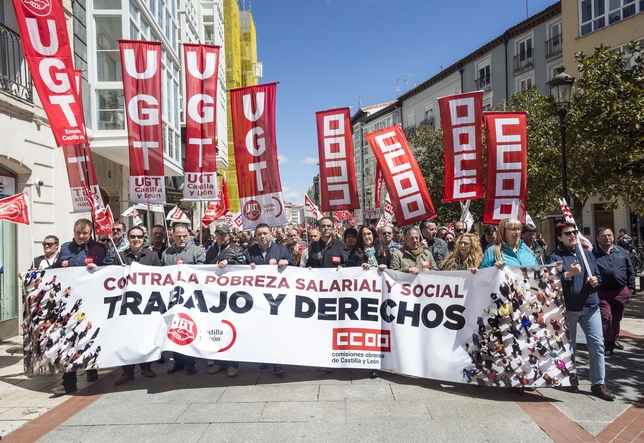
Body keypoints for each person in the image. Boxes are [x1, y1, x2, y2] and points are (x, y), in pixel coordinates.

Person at [548, 222, 615, 401]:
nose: (572, 236)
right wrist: (568, 274)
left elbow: (598, 276)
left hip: (590, 306)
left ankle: (598, 383)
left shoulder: (586, 254)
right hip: (569, 308)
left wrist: (596, 281)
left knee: (597, 345)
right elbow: (550, 283)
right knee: (571, 347)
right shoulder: (555, 257)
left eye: (574, 232)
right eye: (568, 233)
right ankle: (570, 378)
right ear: (559, 237)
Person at [50, 219, 112, 396]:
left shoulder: (100, 249)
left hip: (91, 301)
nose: (82, 236)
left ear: (90, 232)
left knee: (89, 336)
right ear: (74, 231)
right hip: (69, 303)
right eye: (78, 233)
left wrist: (98, 268)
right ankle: (68, 382)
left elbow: (109, 269)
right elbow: (55, 269)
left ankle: (91, 367)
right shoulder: (65, 248)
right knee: (68, 340)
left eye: (85, 233)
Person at [243, 223, 295, 376]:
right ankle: (265, 356)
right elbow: (240, 271)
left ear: (271, 234)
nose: (262, 236)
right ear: (255, 236)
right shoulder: (250, 252)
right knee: (261, 329)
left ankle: (277, 363)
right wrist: (247, 267)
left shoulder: (281, 250)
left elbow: (294, 269)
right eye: (259, 234)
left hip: (277, 298)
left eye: (265, 233)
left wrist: (287, 263)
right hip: (258, 298)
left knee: (275, 329)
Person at [112, 226, 162, 385]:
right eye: (133, 236)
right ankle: (127, 371)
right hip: (126, 304)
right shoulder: (119, 257)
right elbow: (111, 279)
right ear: (128, 237)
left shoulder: (152, 256)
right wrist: (119, 272)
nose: (136, 239)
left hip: (146, 303)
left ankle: (146, 367)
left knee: (144, 336)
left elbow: (160, 276)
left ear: (144, 238)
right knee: (126, 337)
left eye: (139, 236)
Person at [162, 223, 206, 376]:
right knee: (174, 329)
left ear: (189, 236)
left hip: (189, 298)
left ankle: (190, 362)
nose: (182, 239)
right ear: (172, 236)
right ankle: (178, 361)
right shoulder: (166, 253)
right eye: (178, 236)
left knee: (187, 328)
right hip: (173, 298)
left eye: (185, 236)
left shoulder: (196, 251)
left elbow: (201, 272)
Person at [204, 223, 246, 376]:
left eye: (224, 234)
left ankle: (233, 364)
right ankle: (218, 362)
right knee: (217, 329)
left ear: (229, 235)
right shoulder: (211, 250)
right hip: (215, 295)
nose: (221, 237)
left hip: (232, 295)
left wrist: (230, 262)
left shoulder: (237, 250)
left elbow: (244, 265)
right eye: (218, 234)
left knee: (232, 328)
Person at [592, 227, 635, 356]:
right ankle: (608, 345)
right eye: (604, 236)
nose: (608, 238)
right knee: (606, 317)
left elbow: (630, 270)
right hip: (602, 292)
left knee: (616, 318)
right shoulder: (592, 253)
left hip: (621, 292)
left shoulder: (621, 251)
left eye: (610, 235)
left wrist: (630, 289)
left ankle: (614, 339)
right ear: (597, 238)